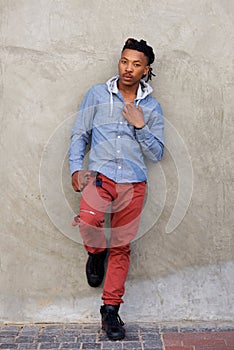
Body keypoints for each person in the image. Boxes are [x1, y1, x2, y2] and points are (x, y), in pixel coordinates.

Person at [68, 38, 164, 340]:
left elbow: (157, 152)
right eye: (124, 61)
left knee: (121, 247)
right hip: (100, 178)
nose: (128, 68)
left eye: (136, 64)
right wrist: (75, 167)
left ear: (145, 70)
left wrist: (140, 125)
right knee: (89, 222)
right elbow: (79, 133)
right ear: (119, 62)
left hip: (133, 184)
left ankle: (110, 310)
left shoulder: (151, 107)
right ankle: (96, 253)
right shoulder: (97, 94)